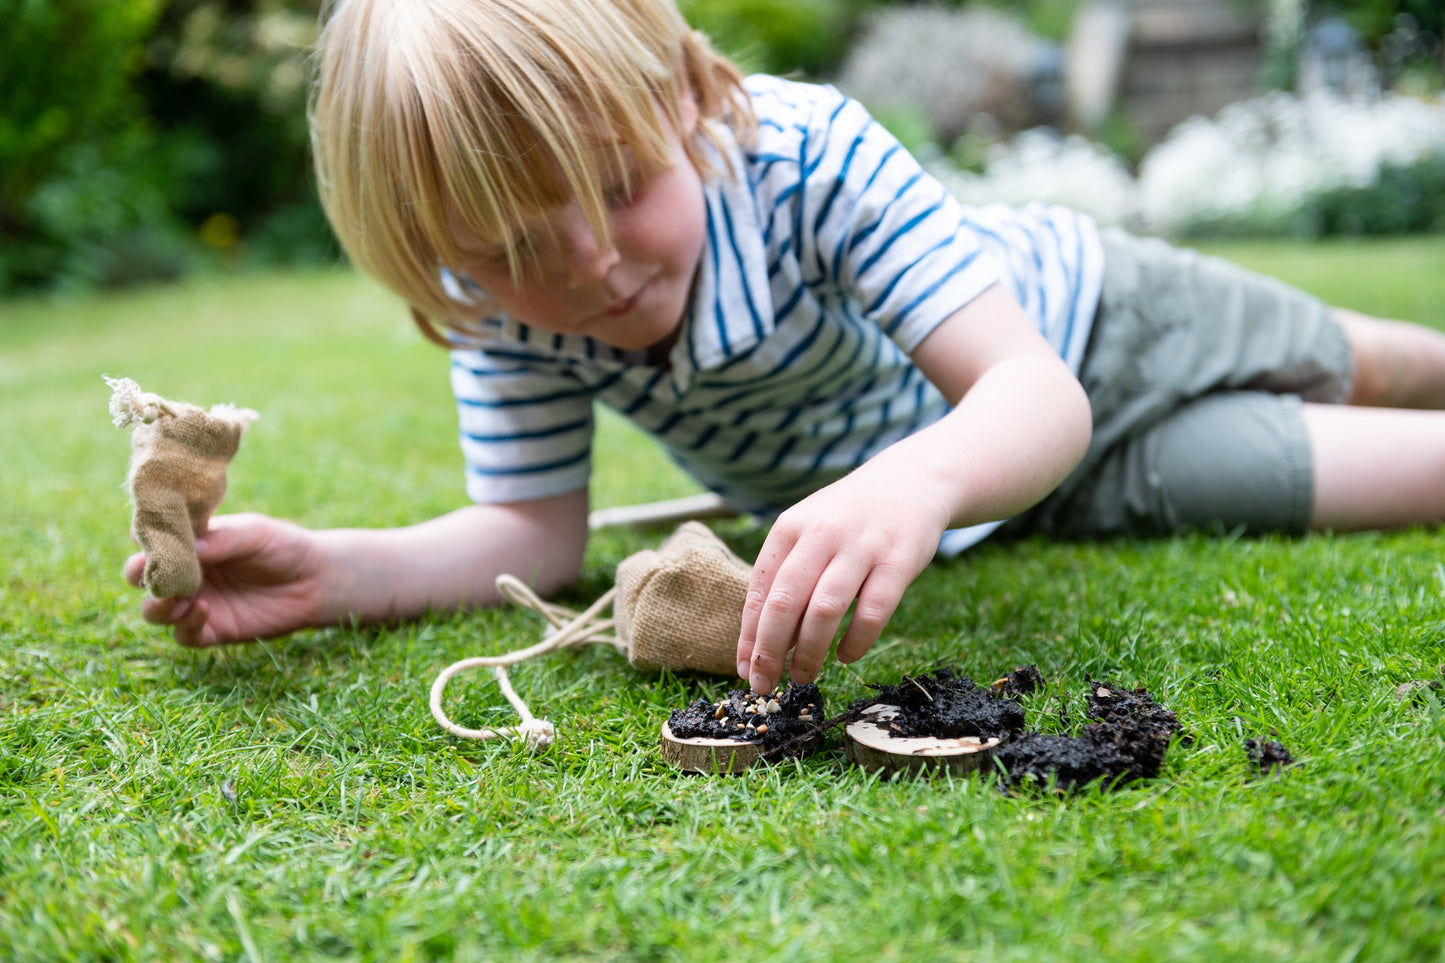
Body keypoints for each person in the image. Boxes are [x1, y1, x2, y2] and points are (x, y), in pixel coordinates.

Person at [126, 0, 1445, 697]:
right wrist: (339, 574)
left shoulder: (804, 159)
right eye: (515, 245)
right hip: (1030, 492)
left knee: (1376, 366)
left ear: (680, 95)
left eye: (618, 184)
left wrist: (914, 478)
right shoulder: (506, 309)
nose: (588, 266)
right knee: (1414, 472)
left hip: (1103, 325)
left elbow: (1028, 388)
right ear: (447, 254)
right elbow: (528, 533)